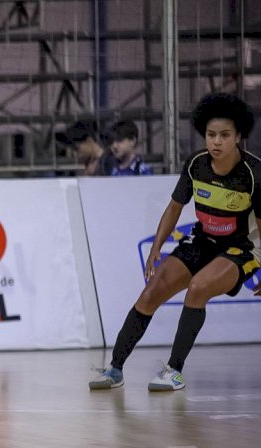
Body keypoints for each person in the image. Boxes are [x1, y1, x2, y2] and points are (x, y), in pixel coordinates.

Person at [89, 92, 261, 392]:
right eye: (210, 135)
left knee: (198, 289)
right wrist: (157, 247)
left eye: (224, 135)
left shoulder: (253, 173)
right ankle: (115, 369)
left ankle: (174, 371)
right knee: (150, 293)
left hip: (241, 248)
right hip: (201, 240)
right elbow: (174, 208)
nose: (216, 142)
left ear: (238, 137)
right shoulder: (196, 164)